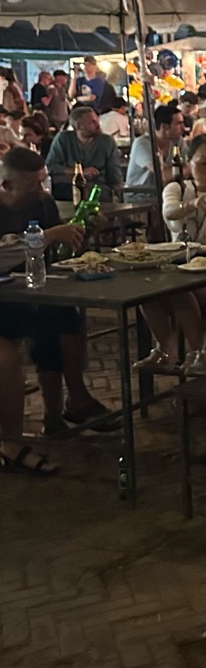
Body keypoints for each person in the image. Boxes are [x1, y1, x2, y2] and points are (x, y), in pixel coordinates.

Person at [0, 147, 109, 470]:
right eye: (32, 184)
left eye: (42, 181)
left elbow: (61, 250)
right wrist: (47, 235)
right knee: (24, 338)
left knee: (61, 316)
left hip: (30, 292)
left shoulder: (43, 203)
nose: (40, 190)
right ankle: (19, 437)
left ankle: (64, 407)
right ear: (6, 185)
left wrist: (84, 231)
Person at [45, 103, 124, 202]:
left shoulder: (107, 142)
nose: (98, 125)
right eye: (92, 122)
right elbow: (50, 166)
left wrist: (118, 195)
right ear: (79, 126)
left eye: (97, 120)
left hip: (98, 188)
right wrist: (80, 172)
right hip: (67, 188)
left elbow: (114, 173)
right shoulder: (64, 139)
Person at [127, 104, 184, 191]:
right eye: (178, 124)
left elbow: (189, 162)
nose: (183, 128)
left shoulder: (177, 141)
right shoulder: (142, 143)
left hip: (166, 192)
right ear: (164, 126)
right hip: (140, 194)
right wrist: (189, 168)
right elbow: (161, 175)